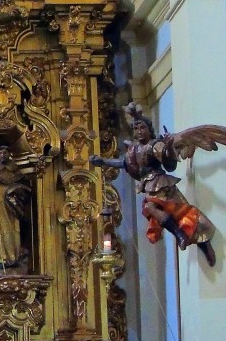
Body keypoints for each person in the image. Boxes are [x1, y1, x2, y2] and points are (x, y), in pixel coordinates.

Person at [89, 102, 224, 267]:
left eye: (142, 128)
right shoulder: (134, 149)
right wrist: (103, 161)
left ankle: (189, 238)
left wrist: (168, 147)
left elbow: (170, 165)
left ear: (149, 129)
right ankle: (187, 237)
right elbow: (124, 163)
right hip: (151, 186)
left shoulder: (155, 146)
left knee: (176, 212)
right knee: (181, 216)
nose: (139, 132)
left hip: (162, 186)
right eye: (136, 129)